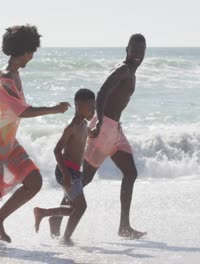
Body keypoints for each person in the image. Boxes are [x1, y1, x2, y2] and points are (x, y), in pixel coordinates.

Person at [0, 25, 70, 248]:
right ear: (23, 49)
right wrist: (54, 109)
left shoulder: (13, 75)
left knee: (34, 181)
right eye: (31, 51)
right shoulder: (7, 76)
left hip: (6, 140)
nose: (32, 56)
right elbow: (22, 111)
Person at [49, 34, 147, 240]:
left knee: (130, 173)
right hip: (105, 129)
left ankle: (124, 227)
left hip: (115, 131)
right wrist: (100, 121)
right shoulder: (123, 69)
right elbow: (102, 92)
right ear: (126, 49)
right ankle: (57, 216)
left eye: (141, 50)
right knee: (83, 179)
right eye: (134, 49)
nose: (138, 54)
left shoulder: (130, 71)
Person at [33, 88, 95, 245]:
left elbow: (90, 133)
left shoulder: (84, 124)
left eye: (94, 107)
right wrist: (66, 174)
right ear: (78, 105)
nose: (92, 111)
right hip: (66, 171)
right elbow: (56, 150)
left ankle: (46, 214)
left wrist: (101, 130)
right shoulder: (72, 125)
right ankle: (66, 238)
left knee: (73, 208)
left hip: (74, 172)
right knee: (81, 207)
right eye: (90, 108)